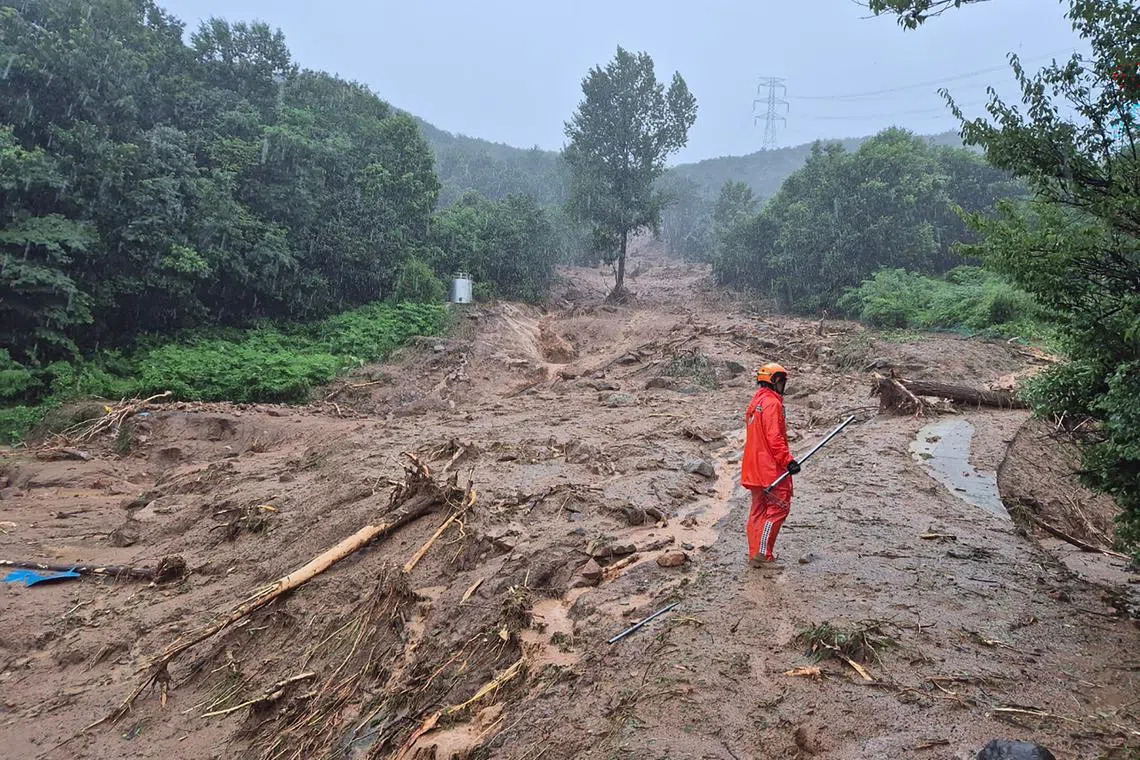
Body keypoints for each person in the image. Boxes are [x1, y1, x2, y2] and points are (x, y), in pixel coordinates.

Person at [741, 362, 800, 571]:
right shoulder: (772, 404)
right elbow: (774, 438)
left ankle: (755, 552)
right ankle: (763, 554)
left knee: (758, 510)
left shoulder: (755, 403)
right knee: (777, 509)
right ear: (775, 380)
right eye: (783, 381)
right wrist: (788, 461)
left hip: (754, 469)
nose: (784, 386)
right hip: (770, 469)